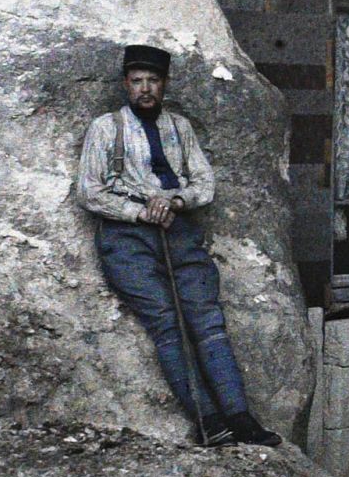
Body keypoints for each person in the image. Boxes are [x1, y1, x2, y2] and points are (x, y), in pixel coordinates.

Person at [76, 44, 282, 448]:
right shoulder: (106, 128)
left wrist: (175, 201)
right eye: (137, 81)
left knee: (207, 321)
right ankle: (209, 422)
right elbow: (89, 191)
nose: (145, 89)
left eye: (153, 81)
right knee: (167, 323)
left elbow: (205, 183)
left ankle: (241, 418)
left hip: (179, 230)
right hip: (127, 237)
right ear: (126, 85)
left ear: (164, 84)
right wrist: (140, 212)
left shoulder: (180, 128)